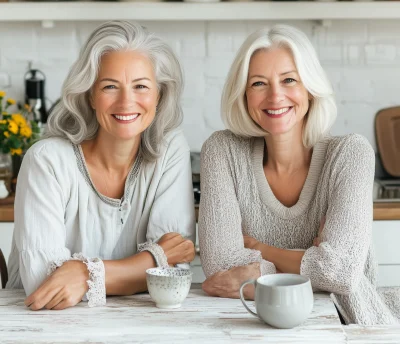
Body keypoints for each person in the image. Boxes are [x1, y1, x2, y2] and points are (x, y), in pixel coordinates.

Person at [198, 24, 400, 325]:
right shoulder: (223, 151)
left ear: (310, 88)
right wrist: (313, 261)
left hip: (352, 329)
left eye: (289, 80)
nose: (275, 96)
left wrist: (259, 252)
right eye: (258, 84)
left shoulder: (350, 154)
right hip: (249, 329)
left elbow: (341, 272)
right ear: (243, 95)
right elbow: (221, 265)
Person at [6, 21, 196, 310]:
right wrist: (148, 262)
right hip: (39, 329)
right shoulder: (46, 161)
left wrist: (82, 274)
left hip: (142, 328)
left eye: (141, 86)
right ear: (90, 95)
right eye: (110, 86)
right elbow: (44, 283)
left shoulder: (170, 150)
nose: (126, 101)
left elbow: (173, 273)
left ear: (159, 95)